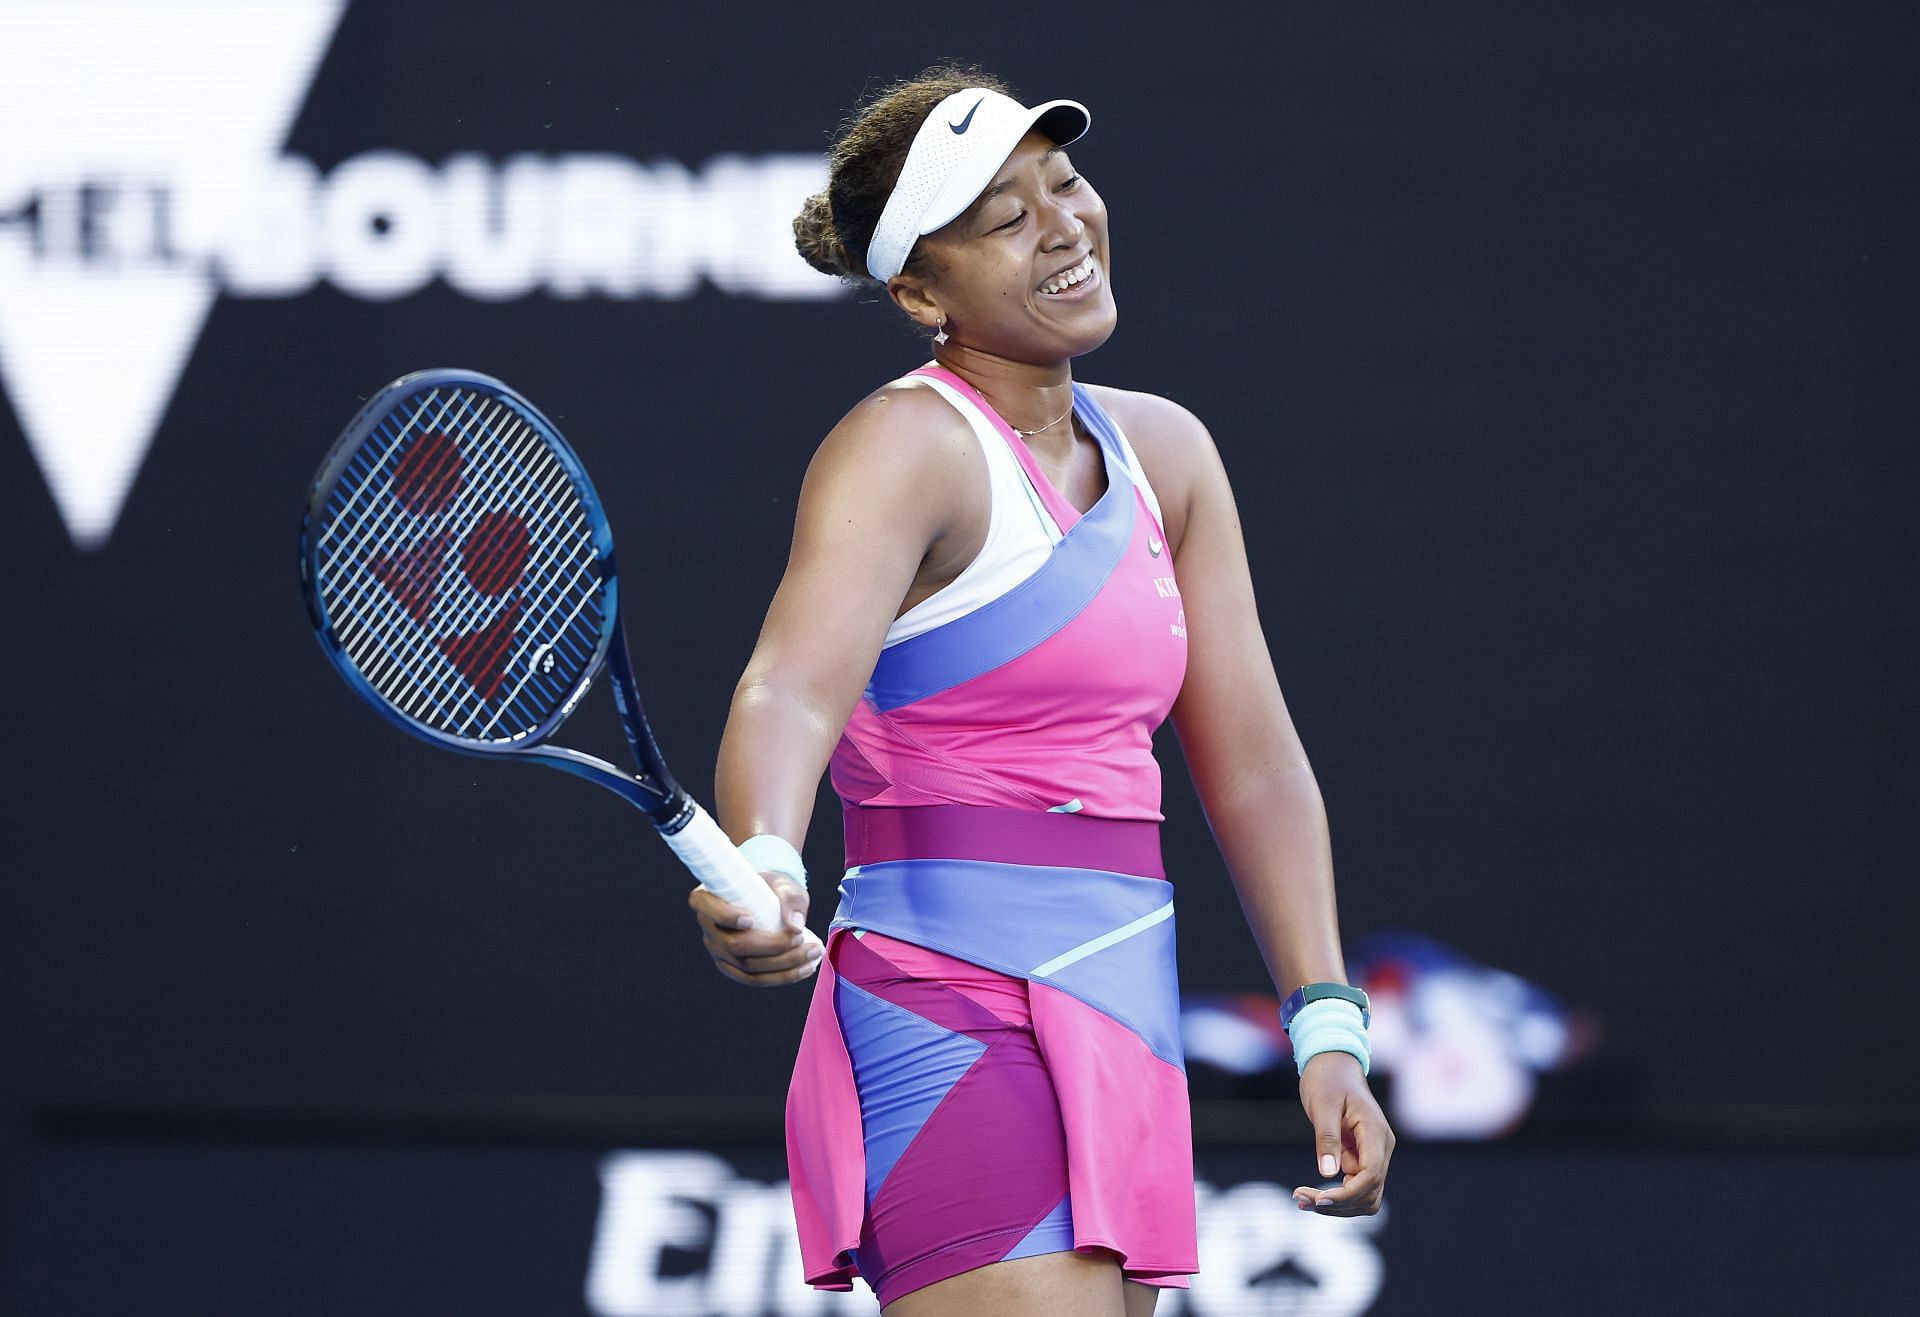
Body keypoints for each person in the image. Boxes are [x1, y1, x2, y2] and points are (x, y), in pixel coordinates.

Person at [686, 63, 1394, 1317]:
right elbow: (789, 688)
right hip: (944, 999)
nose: (1064, 225)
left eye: (1063, 184)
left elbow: (1257, 762)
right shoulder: (904, 446)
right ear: (919, 291)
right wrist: (769, 855)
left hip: (1123, 1010)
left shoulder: (1168, 452)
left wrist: (1325, 1024)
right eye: (1006, 219)